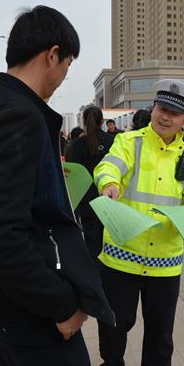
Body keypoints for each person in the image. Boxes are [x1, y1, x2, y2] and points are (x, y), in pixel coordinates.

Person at [0, 5, 114, 366]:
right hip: (32, 316)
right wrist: (60, 306)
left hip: (8, 306)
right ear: (52, 54)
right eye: (66, 66)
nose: (62, 77)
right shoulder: (18, 116)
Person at [94, 79, 184, 366]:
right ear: (153, 108)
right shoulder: (129, 142)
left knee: (160, 339)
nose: (165, 116)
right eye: (161, 108)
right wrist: (107, 184)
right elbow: (108, 166)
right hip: (121, 258)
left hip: (165, 263)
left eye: (174, 113)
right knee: (114, 329)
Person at [65, 105, 113, 261]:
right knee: (111, 241)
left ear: (84, 121)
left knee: (92, 242)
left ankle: (94, 276)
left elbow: (73, 174)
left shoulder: (76, 145)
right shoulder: (112, 141)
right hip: (111, 198)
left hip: (87, 200)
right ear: (102, 121)